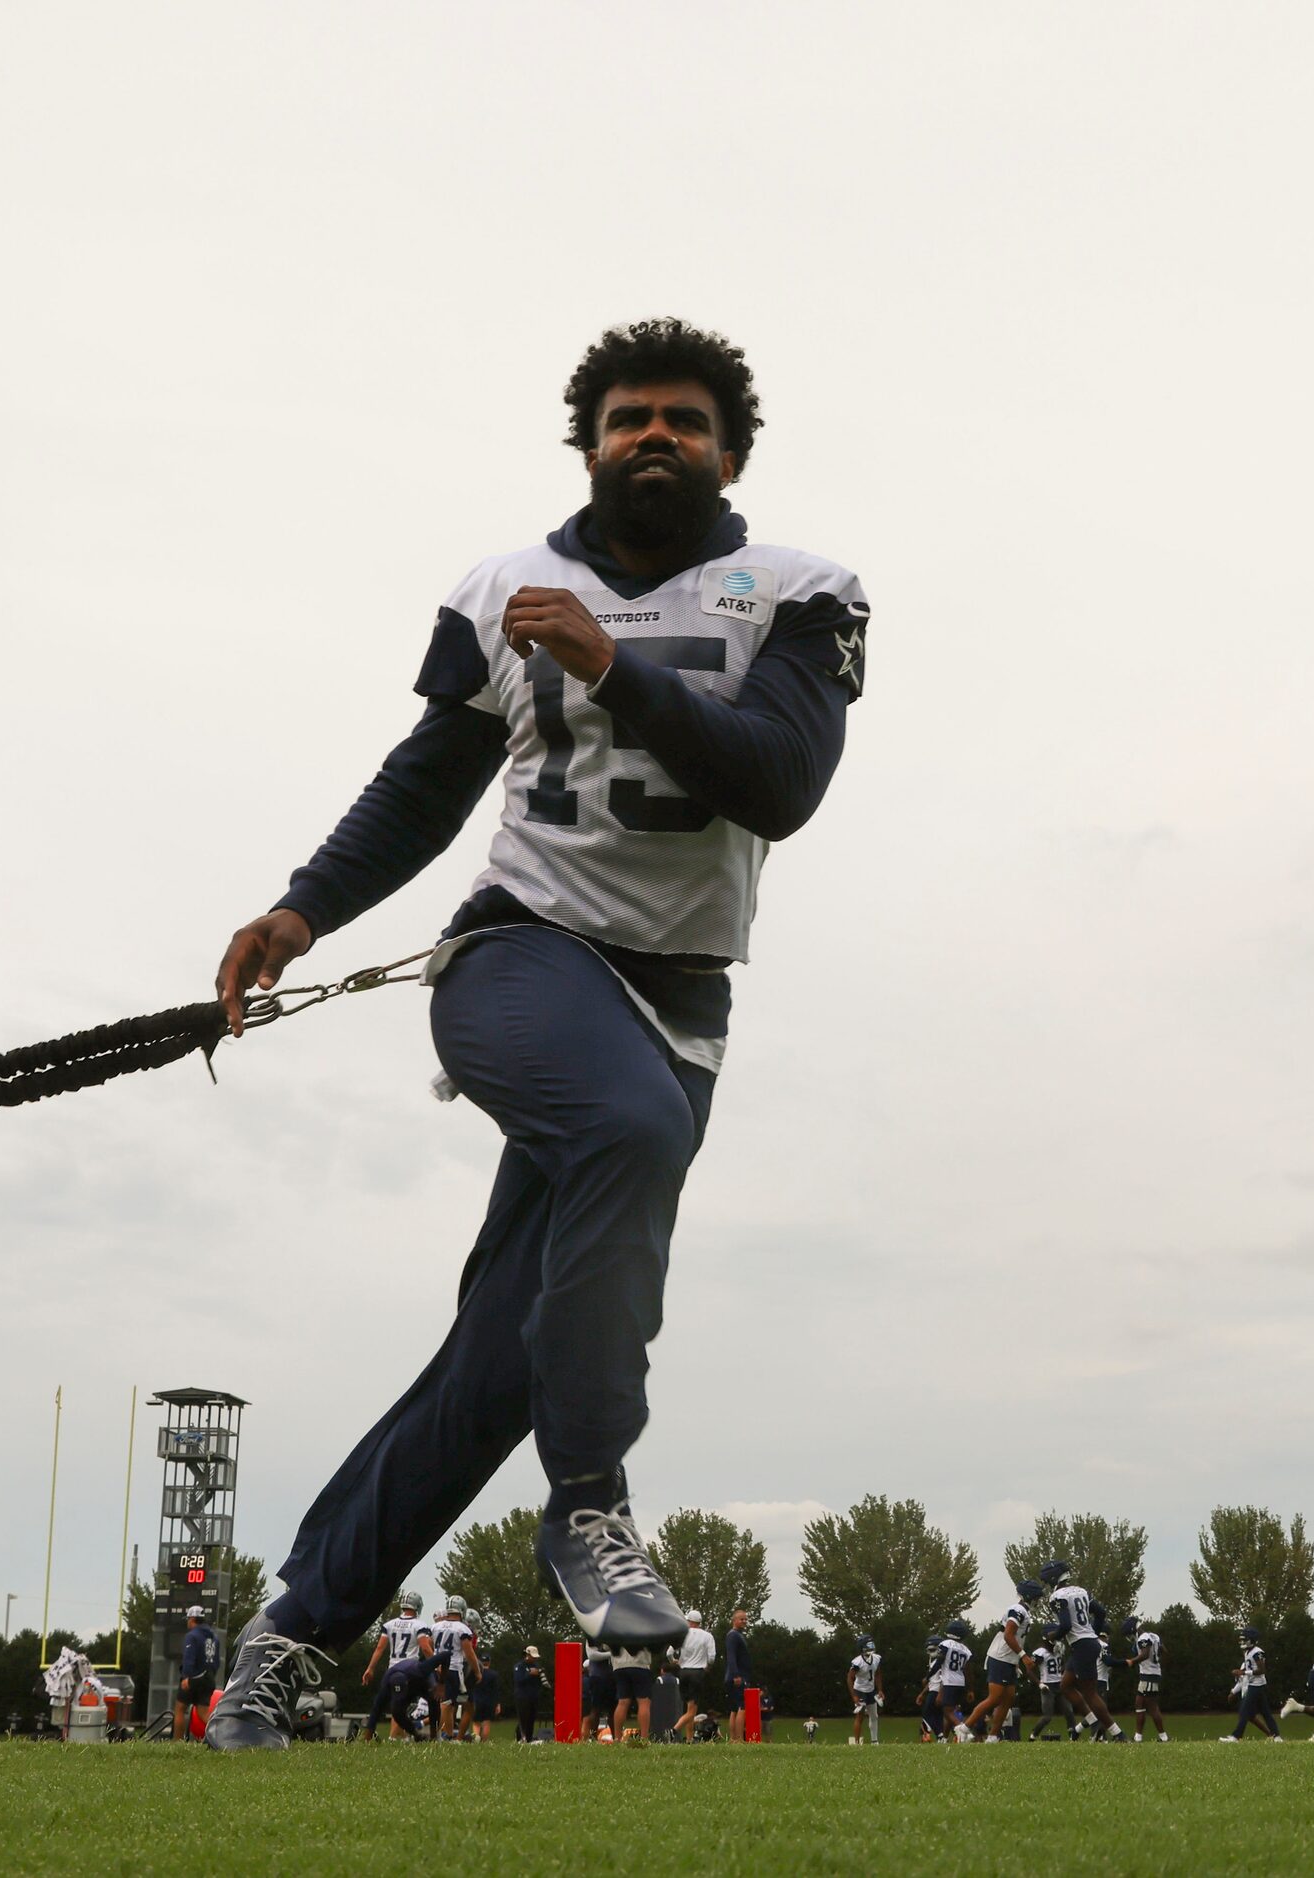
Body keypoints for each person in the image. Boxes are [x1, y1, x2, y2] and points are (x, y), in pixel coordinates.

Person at [202, 320, 871, 1748]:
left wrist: (617, 671)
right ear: (586, 443)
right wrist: (302, 908)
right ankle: (590, 1507)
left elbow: (782, 780)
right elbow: (429, 777)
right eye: (628, 417)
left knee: (501, 1360)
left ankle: (290, 1634)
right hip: (523, 955)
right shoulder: (504, 586)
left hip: (680, 1002)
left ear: (729, 451)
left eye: (684, 421)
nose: (654, 437)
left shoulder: (802, 592)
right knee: (622, 1131)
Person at [1041, 1563, 1123, 1741]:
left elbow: (1065, 1625)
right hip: (1087, 1642)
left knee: (1090, 1693)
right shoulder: (1081, 1590)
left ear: (1053, 1579)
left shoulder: (1058, 1596)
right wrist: (1092, 1633)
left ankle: (1118, 1734)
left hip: (1081, 1645)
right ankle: (1090, 1722)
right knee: (1065, 1686)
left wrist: (1052, 1637)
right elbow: (1101, 1613)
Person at [964, 1581, 1040, 1744]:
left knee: (1008, 1698)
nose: (1038, 1601)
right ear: (1029, 1596)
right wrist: (1023, 1656)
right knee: (995, 1698)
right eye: (1036, 1597)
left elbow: (1017, 1638)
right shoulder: (1018, 1610)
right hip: (1000, 1657)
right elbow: (1008, 1635)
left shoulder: (1024, 1611)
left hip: (1008, 1659)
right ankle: (964, 1728)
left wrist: (1016, 1661)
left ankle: (993, 1736)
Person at [358, 1591, 429, 1738]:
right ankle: (392, 1738)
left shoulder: (390, 1624)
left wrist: (370, 1668)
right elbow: (425, 1648)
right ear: (417, 1606)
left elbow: (379, 1648)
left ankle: (378, 1736)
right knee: (400, 1706)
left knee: (381, 1704)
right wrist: (437, 1664)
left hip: (392, 1670)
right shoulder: (419, 1625)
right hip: (409, 1671)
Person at [429, 1594, 480, 1740]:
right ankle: (443, 1736)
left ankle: (448, 1735)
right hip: (453, 1668)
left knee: (449, 1704)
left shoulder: (435, 1626)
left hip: (437, 1668)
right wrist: (477, 1671)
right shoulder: (462, 1628)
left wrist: (434, 1661)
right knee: (447, 1703)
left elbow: (427, 1645)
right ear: (462, 1609)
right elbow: (469, 1652)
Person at [1222, 1625, 1280, 1742]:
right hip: (1255, 1685)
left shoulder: (1257, 1652)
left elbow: (1262, 1670)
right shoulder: (1248, 1652)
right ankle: (1276, 1736)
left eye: (1245, 1639)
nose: (1242, 1641)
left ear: (1251, 1640)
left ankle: (1236, 1736)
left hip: (1257, 1685)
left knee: (1244, 1711)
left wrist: (1243, 1672)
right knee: (1265, 1712)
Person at [176, 1606, 220, 1740]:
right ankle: (220, 1737)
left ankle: (176, 1743)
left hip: (194, 1677)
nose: (188, 1622)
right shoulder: (214, 1637)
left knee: (180, 1708)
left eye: (188, 1619)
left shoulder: (192, 1636)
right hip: (209, 1678)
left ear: (193, 1619)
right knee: (203, 1712)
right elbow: (217, 1661)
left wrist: (186, 1677)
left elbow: (189, 1658)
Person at [675, 1610, 717, 1740]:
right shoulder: (707, 1636)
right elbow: (711, 1657)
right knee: (692, 1710)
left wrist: (675, 1662)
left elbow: (670, 1653)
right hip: (697, 1672)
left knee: (689, 1706)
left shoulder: (681, 1635)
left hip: (683, 1672)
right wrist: (707, 1667)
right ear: (699, 1622)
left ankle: (689, 1738)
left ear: (689, 1621)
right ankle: (674, 1730)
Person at [1126, 1616, 1168, 1742]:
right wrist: (1156, 1661)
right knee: (1141, 1704)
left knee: (1150, 1706)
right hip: (1152, 1673)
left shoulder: (1143, 1638)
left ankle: (1161, 1737)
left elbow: (1144, 1654)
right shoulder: (1154, 1636)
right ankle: (1139, 1736)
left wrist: (1131, 1661)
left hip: (1148, 1674)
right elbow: (1164, 1650)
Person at [609, 1641, 656, 1746]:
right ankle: (644, 1738)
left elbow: (606, 1645)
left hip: (619, 1665)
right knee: (644, 1702)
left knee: (622, 1702)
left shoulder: (615, 1624)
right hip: (640, 1663)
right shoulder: (644, 1624)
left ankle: (617, 1739)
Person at [936, 1619, 975, 1740]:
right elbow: (968, 1671)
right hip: (960, 1682)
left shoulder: (945, 1644)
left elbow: (939, 1662)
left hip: (949, 1681)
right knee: (948, 1709)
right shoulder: (966, 1650)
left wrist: (927, 1677)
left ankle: (963, 1731)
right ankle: (944, 1738)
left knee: (947, 1711)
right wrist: (970, 1689)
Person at [724, 1610, 758, 1739]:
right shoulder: (733, 1635)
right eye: (741, 1619)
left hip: (735, 1675)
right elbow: (731, 1656)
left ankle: (733, 1739)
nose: (744, 1621)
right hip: (738, 1676)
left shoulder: (738, 1635)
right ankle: (738, 1739)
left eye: (745, 1619)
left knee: (734, 1709)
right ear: (734, 1620)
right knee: (742, 1707)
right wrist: (736, 1675)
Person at [848, 1634, 883, 1744]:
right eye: (868, 1646)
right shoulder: (857, 1662)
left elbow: (877, 1674)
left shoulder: (877, 1658)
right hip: (860, 1690)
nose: (871, 1647)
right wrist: (854, 1695)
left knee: (874, 1715)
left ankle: (874, 1741)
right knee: (860, 1716)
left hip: (871, 1690)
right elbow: (849, 1678)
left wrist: (880, 1690)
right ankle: (857, 1742)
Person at [1028, 1641, 1064, 1739]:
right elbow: (1029, 1669)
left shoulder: (1059, 1649)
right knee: (1047, 1717)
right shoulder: (1040, 1653)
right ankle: (1033, 1736)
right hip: (1048, 1686)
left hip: (1060, 1684)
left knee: (1069, 1711)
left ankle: (1073, 1737)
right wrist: (1040, 1683)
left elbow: (1060, 1666)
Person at [514, 1645, 545, 1744]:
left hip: (533, 1696)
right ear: (527, 1655)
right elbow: (518, 1680)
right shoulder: (519, 1666)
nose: (534, 1659)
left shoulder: (536, 1666)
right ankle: (521, 1738)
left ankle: (529, 1738)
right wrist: (529, 1674)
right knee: (523, 1718)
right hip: (522, 1696)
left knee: (531, 1717)